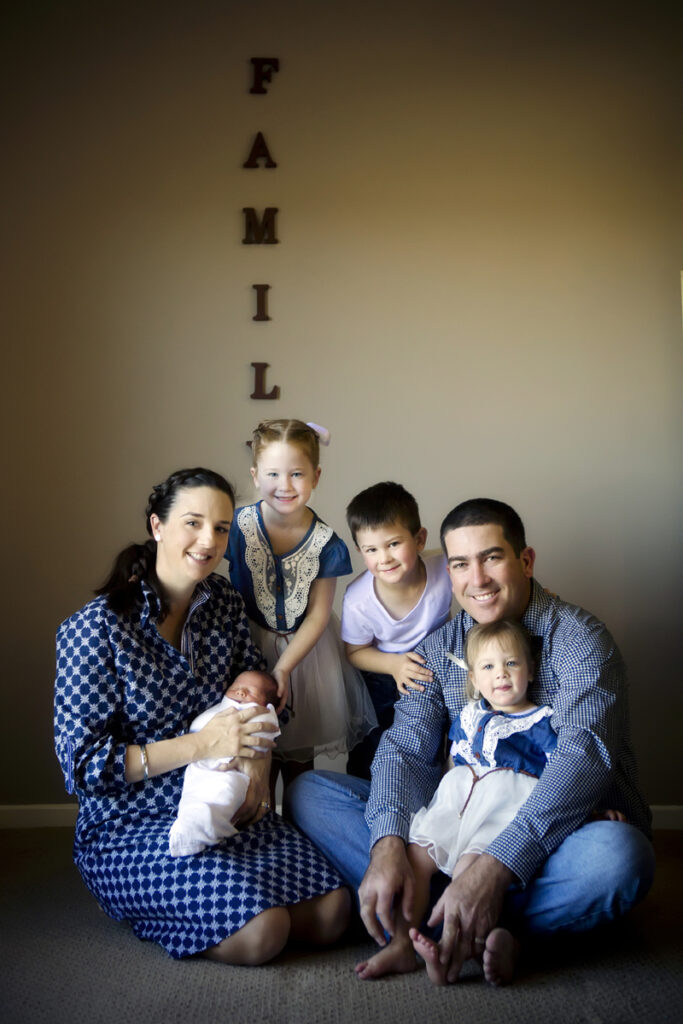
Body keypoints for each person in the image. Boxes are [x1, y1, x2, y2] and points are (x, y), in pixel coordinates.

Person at [285, 498, 654, 985]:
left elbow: (582, 760)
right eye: (460, 563)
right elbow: (405, 749)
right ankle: (471, 921)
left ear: (525, 561)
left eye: (492, 558)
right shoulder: (440, 647)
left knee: (621, 857)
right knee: (311, 794)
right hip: (457, 828)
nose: (476, 579)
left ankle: (447, 916)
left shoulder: (579, 640)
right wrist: (388, 844)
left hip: (560, 836)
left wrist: (498, 865)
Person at [54, 467, 350, 964]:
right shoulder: (96, 629)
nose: (208, 540)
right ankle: (151, 906)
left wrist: (255, 764)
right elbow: (83, 766)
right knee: (264, 932)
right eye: (192, 523)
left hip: (222, 802)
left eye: (220, 527)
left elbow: (263, 695)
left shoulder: (224, 604)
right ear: (157, 527)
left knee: (333, 912)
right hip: (129, 824)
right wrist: (205, 744)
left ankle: (232, 899)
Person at [356, 619, 556, 984]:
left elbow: (563, 774)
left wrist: (593, 808)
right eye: (489, 667)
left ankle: (454, 950)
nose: (501, 675)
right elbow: (450, 758)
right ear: (475, 680)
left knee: (469, 870)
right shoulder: (470, 714)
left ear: (530, 670)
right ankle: (401, 943)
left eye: (512, 663)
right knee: (416, 855)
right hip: (458, 796)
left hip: (503, 803)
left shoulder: (541, 721)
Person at [228, 419, 376, 795]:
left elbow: (319, 614)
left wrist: (284, 667)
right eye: (273, 473)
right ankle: (259, 835)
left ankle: (298, 837)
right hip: (247, 648)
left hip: (305, 655)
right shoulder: (237, 526)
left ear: (316, 476)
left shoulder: (327, 543)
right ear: (255, 475)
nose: (285, 485)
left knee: (297, 759)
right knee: (250, 755)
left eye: (297, 474)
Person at [341, 482, 452, 778]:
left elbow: (481, 574)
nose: (384, 558)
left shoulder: (444, 566)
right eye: (371, 550)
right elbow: (354, 651)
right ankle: (364, 791)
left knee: (438, 738)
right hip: (383, 673)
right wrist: (393, 665)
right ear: (360, 551)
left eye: (393, 544)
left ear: (419, 539)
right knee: (375, 743)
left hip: (436, 667)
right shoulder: (358, 599)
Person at [169, 670, 281, 857]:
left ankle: (209, 829)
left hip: (233, 772)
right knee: (192, 792)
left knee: (225, 792)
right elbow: (199, 729)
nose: (240, 693)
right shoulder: (217, 711)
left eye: (250, 691)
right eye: (235, 687)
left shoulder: (261, 715)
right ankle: (186, 828)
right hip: (201, 765)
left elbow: (266, 730)